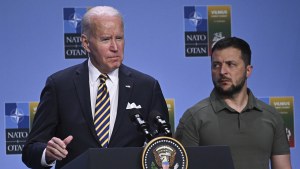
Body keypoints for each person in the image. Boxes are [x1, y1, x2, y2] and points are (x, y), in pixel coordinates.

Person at [22, 6, 169, 169]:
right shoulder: (60, 85)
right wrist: (47, 153)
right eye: (106, 39)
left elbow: (165, 148)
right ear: (86, 43)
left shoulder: (146, 87)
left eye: (119, 38)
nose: (115, 47)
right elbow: (30, 151)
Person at [175, 37, 292, 169]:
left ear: (248, 70)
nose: (222, 71)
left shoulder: (272, 116)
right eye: (216, 65)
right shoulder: (194, 117)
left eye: (231, 64)